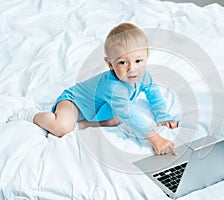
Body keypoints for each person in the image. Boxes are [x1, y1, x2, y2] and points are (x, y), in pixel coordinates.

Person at [16, 23, 179, 155]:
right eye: (123, 62)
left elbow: (154, 94)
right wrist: (155, 138)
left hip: (97, 108)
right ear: (110, 64)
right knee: (61, 128)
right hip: (73, 102)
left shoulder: (144, 76)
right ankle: (31, 114)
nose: (132, 69)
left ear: (147, 57)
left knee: (114, 121)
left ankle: (83, 124)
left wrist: (162, 116)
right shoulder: (113, 86)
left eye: (138, 61)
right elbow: (129, 113)